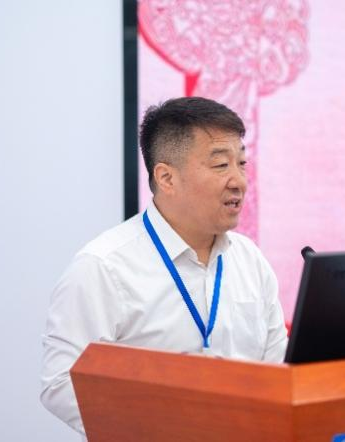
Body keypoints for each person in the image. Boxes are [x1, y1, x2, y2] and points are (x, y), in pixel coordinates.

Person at [40, 96, 288, 435]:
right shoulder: (103, 267)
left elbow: (278, 368)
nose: (239, 181)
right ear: (167, 178)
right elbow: (62, 382)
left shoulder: (250, 260)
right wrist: (171, 423)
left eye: (241, 163)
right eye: (220, 165)